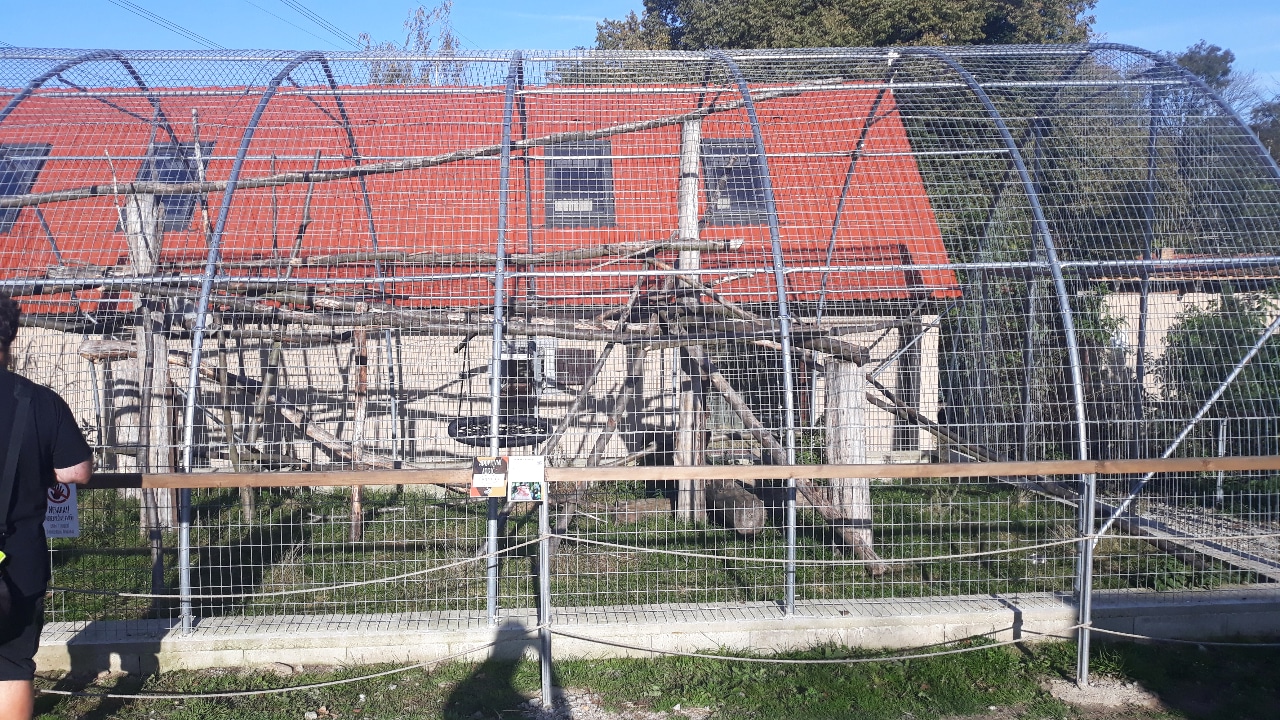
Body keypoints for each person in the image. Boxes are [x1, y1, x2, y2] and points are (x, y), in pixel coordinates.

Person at [0, 294, 93, 719]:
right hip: (17, 558)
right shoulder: (38, 401)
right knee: (14, 664)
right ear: (11, 337)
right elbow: (77, 471)